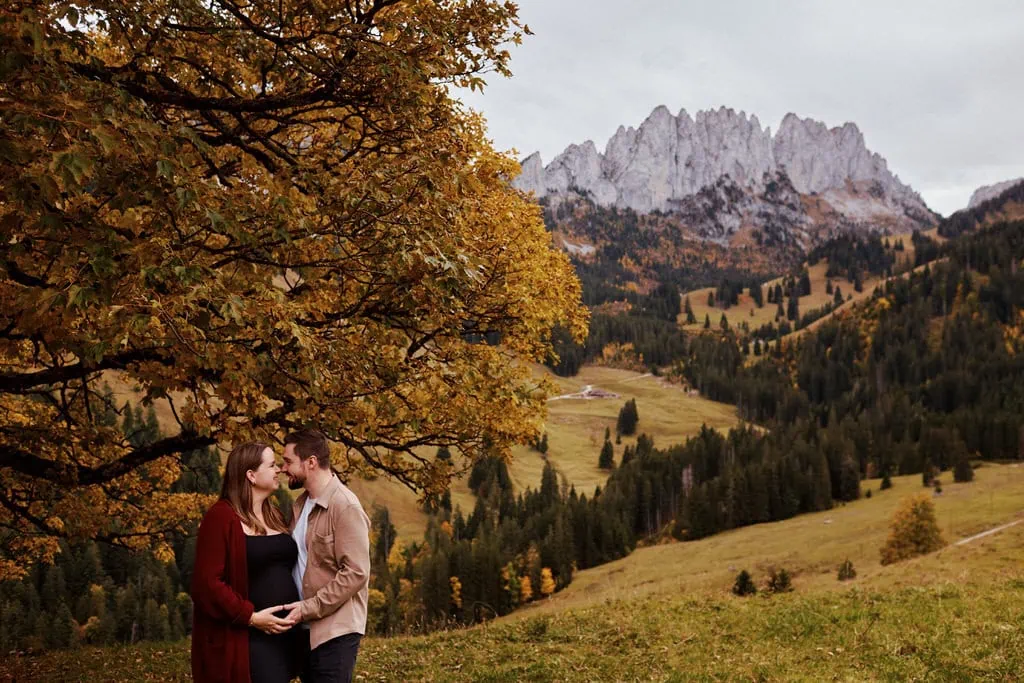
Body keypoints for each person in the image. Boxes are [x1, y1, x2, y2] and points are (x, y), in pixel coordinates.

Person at [191, 442, 300, 683]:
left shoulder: (274, 514)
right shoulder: (220, 517)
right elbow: (206, 584)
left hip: (282, 636)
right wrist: (251, 617)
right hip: (247, 637)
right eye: (271, 465)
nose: (279, 470)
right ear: (251, 475)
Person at [280, 429, 371, 683]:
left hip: (335, 633)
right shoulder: (300, 504)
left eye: (288, 461)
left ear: (311, 462)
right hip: (304, 630)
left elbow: (356, 573)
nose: (283, 468)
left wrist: (309, 608)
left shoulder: (345, 506)